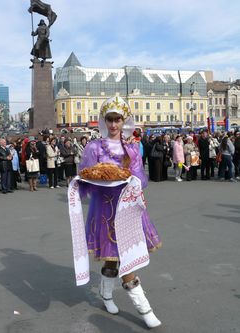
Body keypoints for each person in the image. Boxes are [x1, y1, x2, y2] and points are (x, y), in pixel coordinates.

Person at [77, 96, 162, 328]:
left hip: (126, 208)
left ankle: (116, 299)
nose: (114, 124)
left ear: (124, 121)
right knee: (115, 258)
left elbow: (141, 178)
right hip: (104, 209)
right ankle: (139, 308)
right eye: (110, 119)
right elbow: (85, 176)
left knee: (124, 258)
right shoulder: (94, 147)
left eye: (117, 119)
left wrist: (133, 180)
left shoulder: (131, 148)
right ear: (104, 121)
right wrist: (84, 180)